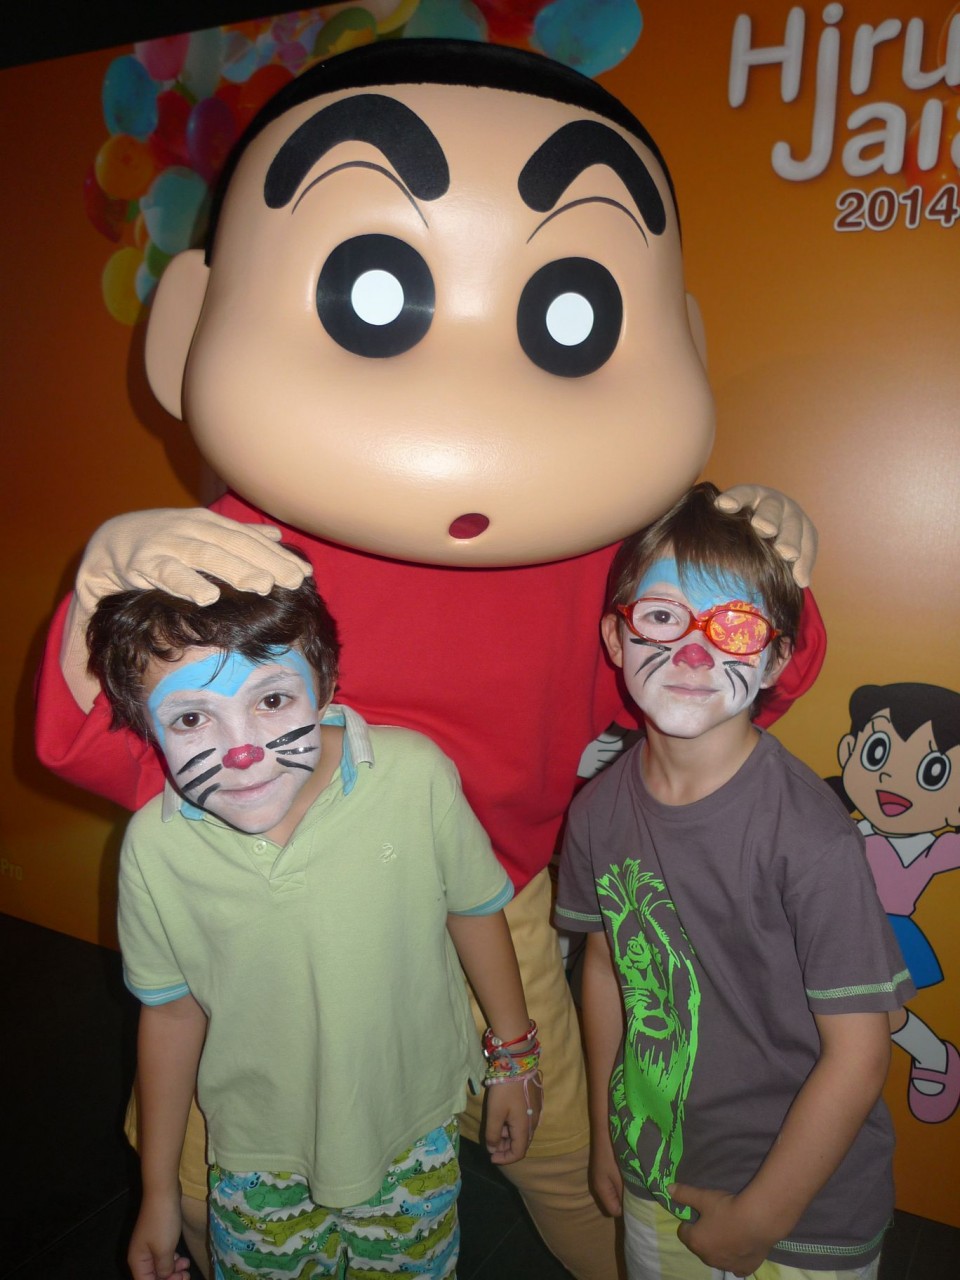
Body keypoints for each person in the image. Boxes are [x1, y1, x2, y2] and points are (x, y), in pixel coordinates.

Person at [35, 39, 826, 1280]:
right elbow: (94, 743)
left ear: (681, 338)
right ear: (185, 328)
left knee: (566, 1156)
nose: (472, 389)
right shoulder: (225, 561)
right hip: (267, 898)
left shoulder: (608, 560)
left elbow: (734, 684)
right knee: (209, 1159)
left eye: (572, 312)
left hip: (494, 900)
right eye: (375, 291)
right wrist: (101, 593)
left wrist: (755, 569)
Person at [86, 567, 542, 1280]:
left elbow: (473, 909)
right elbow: (171, 1014)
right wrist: (160, 1190)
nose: (241, 751)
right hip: (256, 1159)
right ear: (148, 727)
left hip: (410, 1130)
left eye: (272, 699)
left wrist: (513, 1058)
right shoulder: (153, 848)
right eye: (192, 719)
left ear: (325, 686)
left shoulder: (414, 776)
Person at [556, 482, 912, 1280]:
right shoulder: (598, 813)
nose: (694, 652)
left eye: (737, 626)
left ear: (778, 658)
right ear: (616, 636)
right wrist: (610, 1131)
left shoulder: (809, 837)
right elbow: (607, 968)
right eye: (662, 617)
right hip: (659, 1178)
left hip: (805, 1211)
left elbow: (860, 1054)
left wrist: (761, 1218)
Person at [831, 683, 960, 1123]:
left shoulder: (933, 848)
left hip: (888, 936)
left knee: (881, 1014)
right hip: (834, 929)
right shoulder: (839, 828)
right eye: (878, 753)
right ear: (849, 751)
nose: (893, 779)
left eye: (933, 773)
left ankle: (934, 1057)